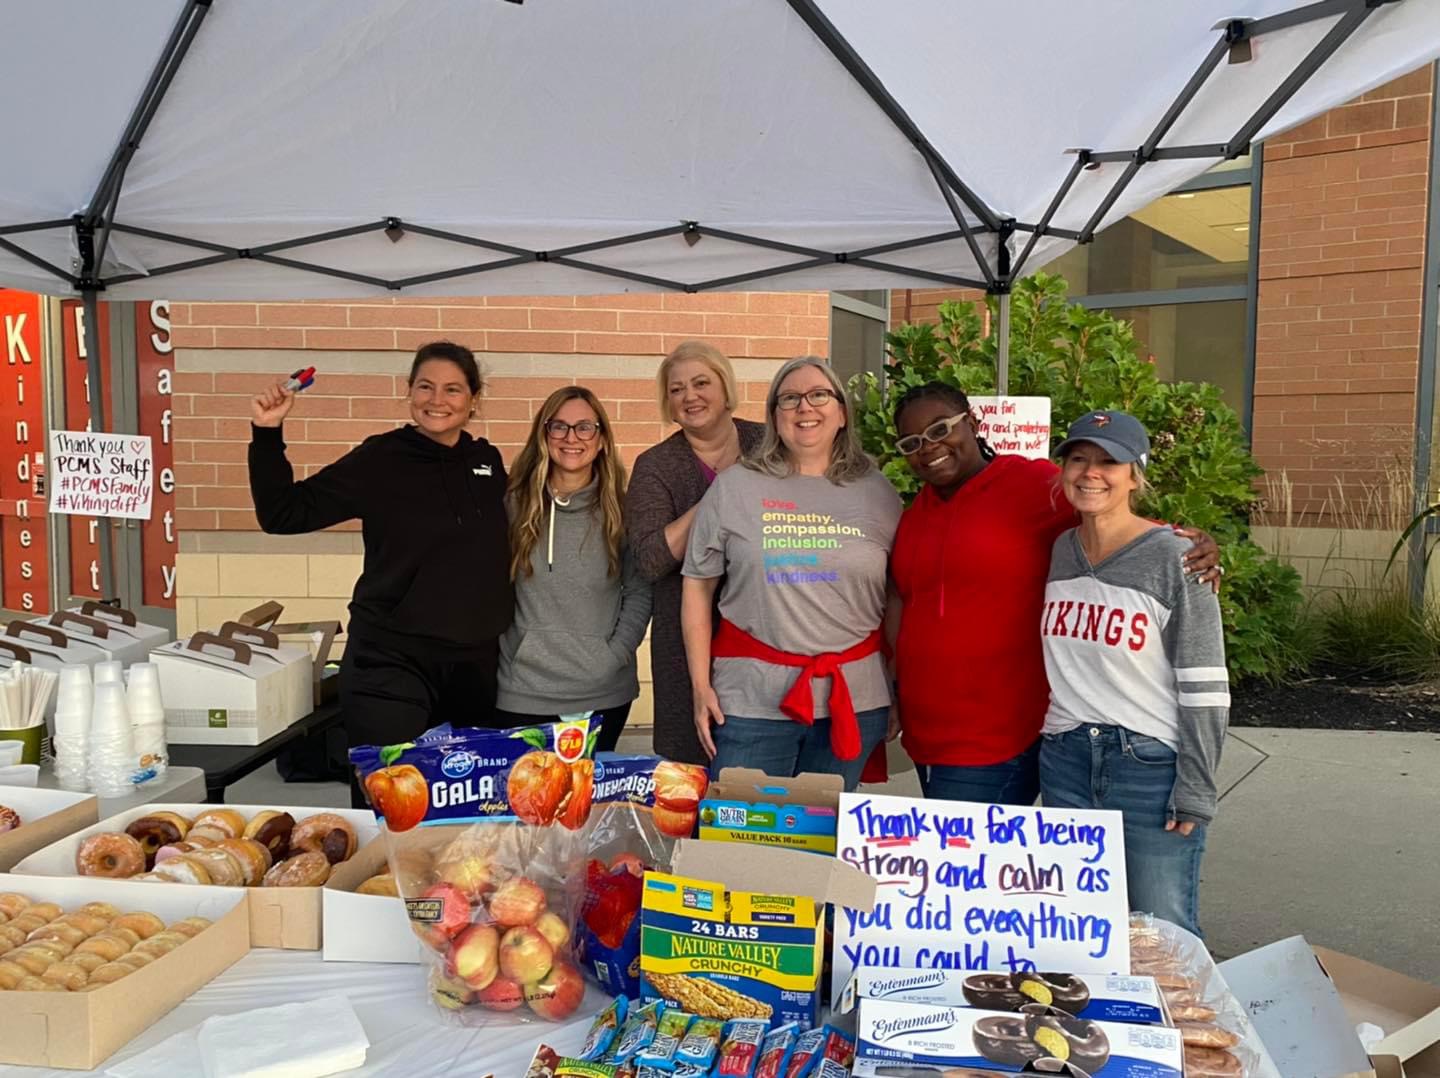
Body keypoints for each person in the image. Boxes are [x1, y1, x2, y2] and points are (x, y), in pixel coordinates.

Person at [887, 382, 1219, 806]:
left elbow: (1115, 522)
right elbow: (904, 598)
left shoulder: (1033, 485)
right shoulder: (917, 513)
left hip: (997, 735)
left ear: (972, 423)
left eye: (940, 430)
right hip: (929, 730)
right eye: (912, 442)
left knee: (968, 865)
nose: (928, 447)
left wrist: (1188, 547)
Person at [248, 340, 512, 809]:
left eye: (453, 389)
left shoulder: (487, 463)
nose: (437, 399)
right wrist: (268, 434)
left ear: (474, 399)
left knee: (467, 822)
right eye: (425, 386)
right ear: (409, 391)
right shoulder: (381, 459)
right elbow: (284, 513)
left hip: (474, 671)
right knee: (389, 811)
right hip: (391, 664)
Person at [1038, 410, 1228, 936]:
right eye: (1079, 459)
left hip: (1147, 766)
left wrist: (1196, 785)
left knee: (1162, 933)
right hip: (1066, 760)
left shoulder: (1178, 556)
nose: (1090, 473)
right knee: (1079, 929)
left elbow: (1205, 683)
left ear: (1134, 475)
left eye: (1109, 462)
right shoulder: (1062, 550)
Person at [681, 356, 901, 791]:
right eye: (790, 399)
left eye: (819, 395)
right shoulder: (735, 487)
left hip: (854, 699)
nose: (805, 407)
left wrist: (895, 682)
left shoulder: (878, 492)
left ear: (841, 413)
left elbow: (896, 593)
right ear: (774, 416)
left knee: (822, 843)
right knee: (740, 843)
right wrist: (699, 685)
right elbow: (697, 586)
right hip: (750, 702)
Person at [626, 342, 764, 764]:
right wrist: (721, 494)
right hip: (684, 647)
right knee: (692, 775)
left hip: (767, 636)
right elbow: (650, 559)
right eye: (676, 389)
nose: (690, 396)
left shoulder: (768, 443)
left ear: (726, 389)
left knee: (764, 777)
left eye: (701, 383)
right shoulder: (656, 465)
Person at [495, 387, 650, 752]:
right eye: (559, 427)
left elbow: (641, 590)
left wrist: (613, 655)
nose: (571, 438)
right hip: (521, 691)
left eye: (584, 427)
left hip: (602, 692)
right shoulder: (512, 505)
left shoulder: (623, 510)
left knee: (587, 806)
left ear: (601, 440)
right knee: (525, 804)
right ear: (543, 435)